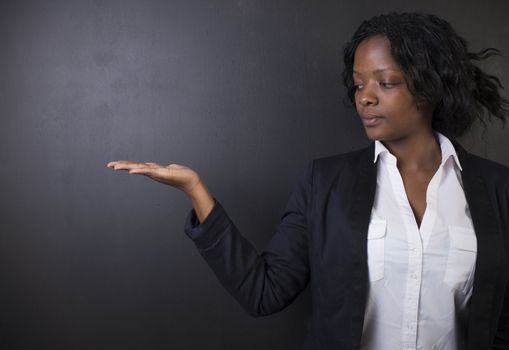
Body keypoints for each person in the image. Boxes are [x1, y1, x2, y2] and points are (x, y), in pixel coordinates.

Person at [106, 12, 509, 350]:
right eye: (358, 84)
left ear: (430, 86)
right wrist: (195, 190)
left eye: (385, 83)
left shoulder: (496, 189)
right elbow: (263, 292)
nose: (364, 97)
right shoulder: (326, 183)